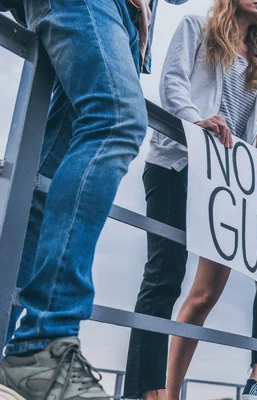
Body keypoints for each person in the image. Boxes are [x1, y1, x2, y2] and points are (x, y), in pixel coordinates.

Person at [0, 0, 188, 398]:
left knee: (45, 180)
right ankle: (42, 345)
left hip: (122, 23)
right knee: (116, 119)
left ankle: (21, 348)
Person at [122, 1, 257, 399]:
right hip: (178, 164)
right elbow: (173, 83)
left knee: (205, 296)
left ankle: (171, 390)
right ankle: (148, 393)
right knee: (164, 276)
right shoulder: (194, 26)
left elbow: (255, 134)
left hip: (228, 185)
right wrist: (195, 121)